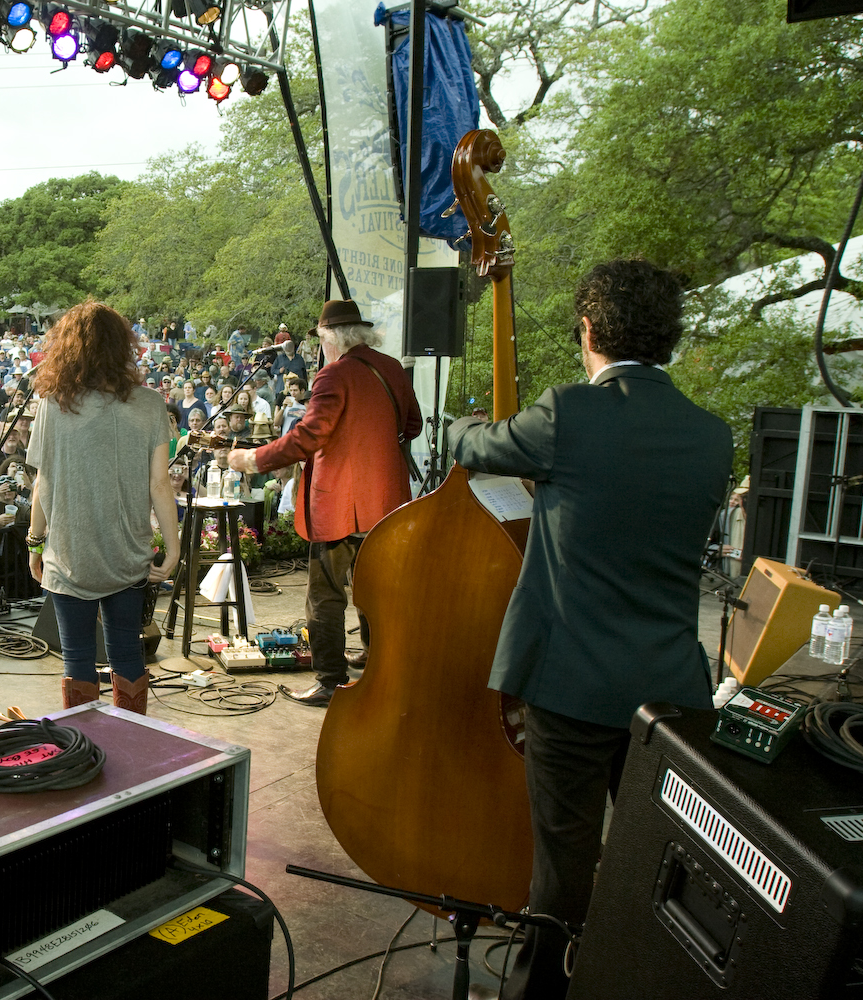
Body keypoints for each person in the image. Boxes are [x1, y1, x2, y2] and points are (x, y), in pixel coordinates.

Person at [447, 259, 732, 1000]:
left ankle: (544, 991)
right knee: (650, 858)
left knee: (565, 859)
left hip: (571, 680)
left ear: (588, 330)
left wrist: (459, 423)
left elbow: (476, 448)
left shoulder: (568, 413)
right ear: (668, 339)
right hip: (670, 686)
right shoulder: (711, 436)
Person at [229, 299, 421, 707]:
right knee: (374, 589)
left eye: (320, 340)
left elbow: (308, 437)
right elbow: (413, 425)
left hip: (341, 507)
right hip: (387, 505)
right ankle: (374, 660)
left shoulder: (334, 375)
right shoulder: (390, 368)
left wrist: (253, 459)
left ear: (331, 337)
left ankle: (330, 681)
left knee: (325, 597)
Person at [26, 302, 179, 714]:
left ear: (67, 349)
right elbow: (160, 483)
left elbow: (42, 482)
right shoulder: (149, 404)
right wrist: (174, 547)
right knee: (127, 652)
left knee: (77, 659)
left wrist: (34, 543)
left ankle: (84, 751)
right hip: (127, 553)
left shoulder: (51, 405)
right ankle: (133, 742)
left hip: (70, 553)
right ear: (121, 347)